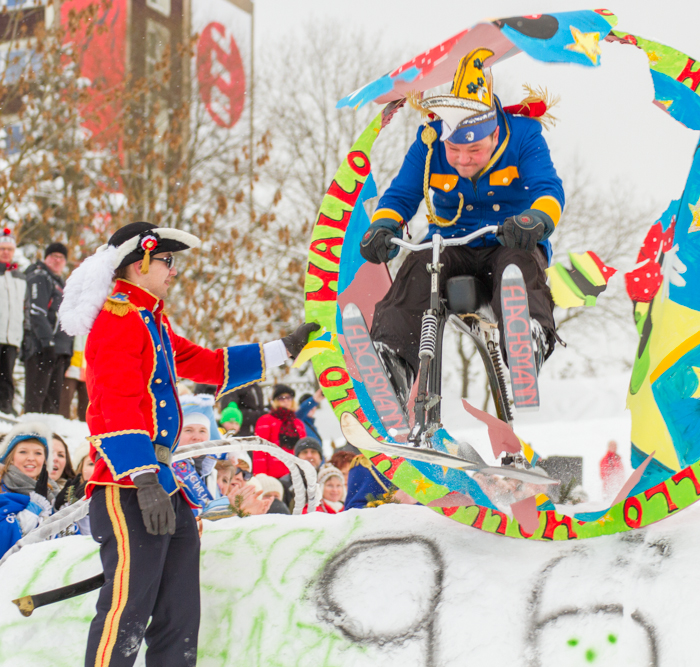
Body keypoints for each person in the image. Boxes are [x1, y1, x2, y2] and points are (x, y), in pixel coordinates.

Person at [56, 221, 318, 667]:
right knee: (127, 613)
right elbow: (113, 406)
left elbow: (207, 363)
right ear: (141, 262)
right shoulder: (119, 320)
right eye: (168, 260)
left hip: (162, 483)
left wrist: (282, 349)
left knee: (179, 616)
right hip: (127, 485)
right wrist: (143, 478)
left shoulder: (149, 318)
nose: (174, 270)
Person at [360, 50, 563, 403]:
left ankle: (527, 341)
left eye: (475, 152)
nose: (462, 160)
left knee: (517, 265)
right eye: (454, 150)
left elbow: (548, 188)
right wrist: (383, 225)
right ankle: (391, 360)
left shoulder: (524, 135)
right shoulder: (429, 141)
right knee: (423, 265)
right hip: (453, 243)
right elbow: (402, 194)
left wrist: (537, 218)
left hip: (509, 238)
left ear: (495, 134)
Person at [22, 242, 72, 414]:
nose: (57, 261)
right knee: (36, 400)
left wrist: (67, 349)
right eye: (54, 256)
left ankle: (48, 435)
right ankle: (29, 435)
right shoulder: (40, 277)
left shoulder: (61, 283)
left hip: (59, 350)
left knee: (52, 403)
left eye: (61, 258)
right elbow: (36, 312)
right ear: (46, 258)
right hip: (40, 348)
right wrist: (46, 342)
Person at [0, 423, 55, 558]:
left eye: (38, 453)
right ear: (11, 459)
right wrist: (33, 510)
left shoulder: (52, 495)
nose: (31, 458)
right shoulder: (2, 491)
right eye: (23, 452)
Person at [253, 384, 307, 479]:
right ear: (275, 401)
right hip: (272, 476)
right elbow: (260, 450)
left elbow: (303, 450)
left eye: (288, 398)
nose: (285, 401)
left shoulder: (298, 424)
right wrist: (261, 477)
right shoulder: (265, 420)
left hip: (295, 476)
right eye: (281, 398)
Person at [0, 228, 25, 415]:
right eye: (2, 248)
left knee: (7, 376)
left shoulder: (20, 277)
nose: (6, 252)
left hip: (12, 336)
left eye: (9, 248)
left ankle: (6, 409)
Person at [60, 333, 89, 421]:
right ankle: (63, 421)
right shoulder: (73, 326)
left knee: (86, 401)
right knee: (66, 398)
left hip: (86, 368)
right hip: (71, 367)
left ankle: (85, 424)